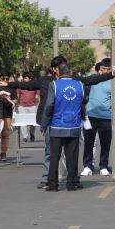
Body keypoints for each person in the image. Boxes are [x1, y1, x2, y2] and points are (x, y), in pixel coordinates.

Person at [0, 55, 114, 189]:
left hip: (70, 123)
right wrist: (9, 84)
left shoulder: (73, 80)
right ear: (54, 69)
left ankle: (72, 180)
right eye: (61, 66)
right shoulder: (46, 81)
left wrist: (110, 75)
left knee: (71, 154)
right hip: (51, 123)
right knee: (51, 153)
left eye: (65, 65)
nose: (64, 68)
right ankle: (47, 179)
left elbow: (90, 80)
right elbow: (27, 85)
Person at [41, 63, 86, 191]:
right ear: (71, 71)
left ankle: (52, 184)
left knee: (55, 157)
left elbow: (49, 106)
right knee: (72, 157)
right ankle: (71, 184)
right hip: (74, 126)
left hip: (57, 126)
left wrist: (44, 125)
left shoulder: (54, 85)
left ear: (58, 72)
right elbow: (85, 100)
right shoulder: (80, 85)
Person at [81, 58, 115, 176]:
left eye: (108, 69)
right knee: (88, 142)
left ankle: (103, 166)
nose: (106, 71)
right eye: (103, 69)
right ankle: (88, 166)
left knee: (105, 143)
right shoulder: (92, 80)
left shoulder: (114, 82)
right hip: (90, 115)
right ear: (99, 69)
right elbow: (83, 97)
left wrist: (114, 114)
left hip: (106, 117)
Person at [0, 71, 17, 161]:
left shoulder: (11, 87)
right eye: (3, 78)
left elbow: (15, 99)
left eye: (7, 78)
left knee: (5, 133)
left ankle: (3, 153)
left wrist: (12, 101)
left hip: (7, 112)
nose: (5, 80)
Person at [16, 72, 39, 142]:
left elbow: (37, 96)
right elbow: (18, 95)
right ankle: (25, 137)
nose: (24, 79)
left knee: (34, 122)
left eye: (26, 78)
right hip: (22, 106)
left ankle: (32, 133)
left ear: (30, 78)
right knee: (23, 122)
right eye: (23, 77)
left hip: (33, 106)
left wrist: (38, 104)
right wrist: (17, 103)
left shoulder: (34, 85)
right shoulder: (20, 85)